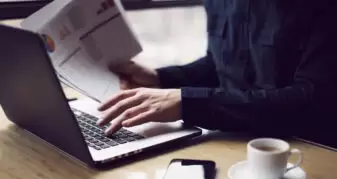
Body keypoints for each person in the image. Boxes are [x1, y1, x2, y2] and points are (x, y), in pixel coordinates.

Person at [97, 0, 337, 138]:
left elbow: (311, 100)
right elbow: (220, 66)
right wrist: (161, 78)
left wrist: (188, 103)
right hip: (232, 140)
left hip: (302, 151)